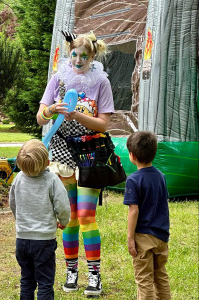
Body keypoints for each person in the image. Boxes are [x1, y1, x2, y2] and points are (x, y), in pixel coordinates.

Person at [37, 31, 114, 296]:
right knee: (68, 218)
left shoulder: (101, 82)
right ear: (69, 53)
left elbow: (104, 124)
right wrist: (51, 110)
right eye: (74, 54)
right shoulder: (58, 79)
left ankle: (95, 276)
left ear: (93, 56)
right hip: (60, 154)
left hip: (90, 154)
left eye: (84, 55)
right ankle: (72, 272)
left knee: (85, 216)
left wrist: (78, 116)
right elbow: (40, 117)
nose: (78, 60)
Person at [9, 139, 71, 300]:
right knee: (44, 281)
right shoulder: (52, 180)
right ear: (48, 162)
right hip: (44, 241)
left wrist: (20, 219)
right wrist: (63, 221)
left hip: (22, 239)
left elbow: (12, 202)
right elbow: (62, 205)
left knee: (27, 280)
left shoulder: (18, 179)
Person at [124, 131, 171, 300]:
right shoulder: (161, 177)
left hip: (143, 238)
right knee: (161, 277)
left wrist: (130, 238)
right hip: (161, 236)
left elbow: (134, 211)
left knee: (144, 280)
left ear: (132, 156)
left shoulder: (133, 180)